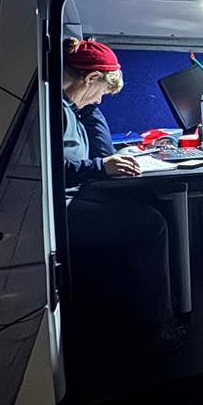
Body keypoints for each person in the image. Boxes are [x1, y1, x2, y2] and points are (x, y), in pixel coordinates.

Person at [61, 37, 182, 358]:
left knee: (150, 204)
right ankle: (156, 327)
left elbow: (99, 151)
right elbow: (54, 167)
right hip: (63, 209)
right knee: (151, 223)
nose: (100, 100)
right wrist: (101, 166)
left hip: (79, 195)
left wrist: (87, 105)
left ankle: (144, 308)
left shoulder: (70, 108)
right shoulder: (56, 111)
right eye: (101, 91)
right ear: (90, 78)